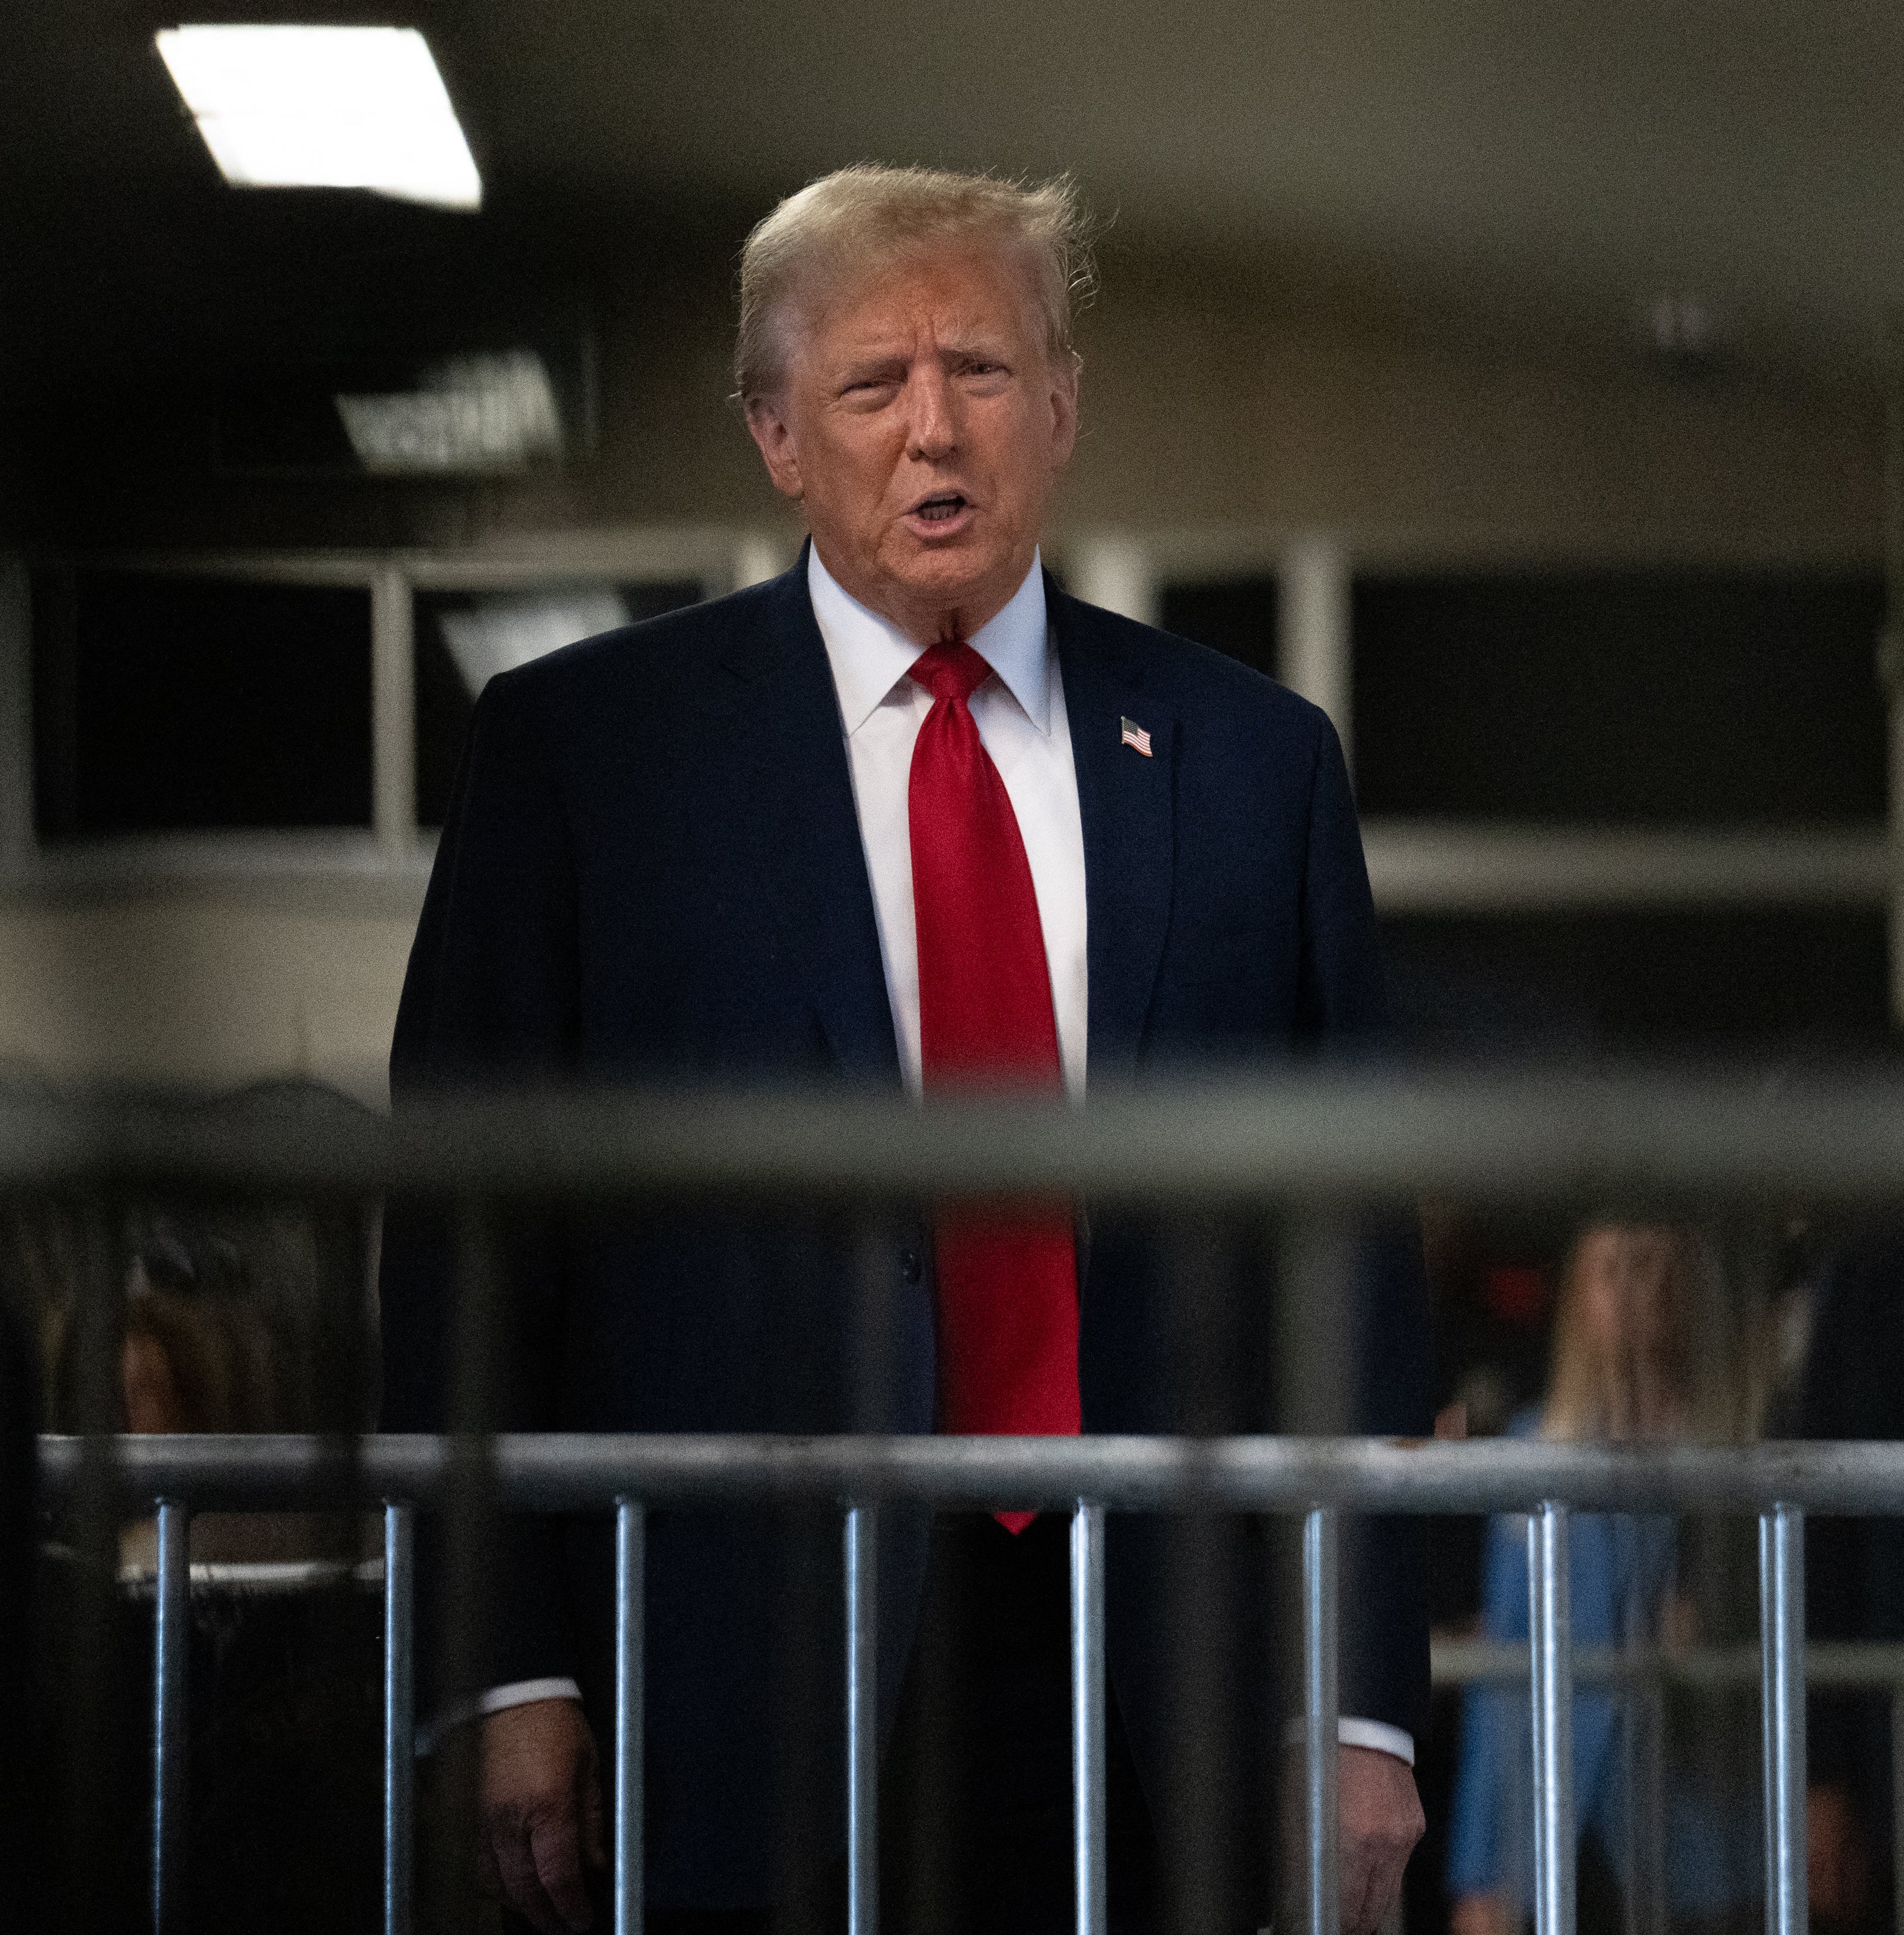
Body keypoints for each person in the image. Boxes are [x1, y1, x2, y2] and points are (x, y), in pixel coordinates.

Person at [383, 166, 1432, 1934]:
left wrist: (1356, 1699)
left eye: (984, 372)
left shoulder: (1256, 765)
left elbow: (1355, 1270)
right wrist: (498, 1667)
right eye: (873, 386)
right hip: (726, 1663)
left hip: (1172, 1676)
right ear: (777, 434)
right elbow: (463, 1234)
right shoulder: (585, 755)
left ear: (1065, 410)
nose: (933, 429)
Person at [1445, 1222, 1756, 1935]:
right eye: (1609, 1271)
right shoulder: (1532, 1446)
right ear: (1577, 1296)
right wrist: (1479, 1869)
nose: (1632, 1290)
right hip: (1549, 1811)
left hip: (1692, 1820)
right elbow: (1502, 1657)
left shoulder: (1729, 1446)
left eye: (1650, 1268)